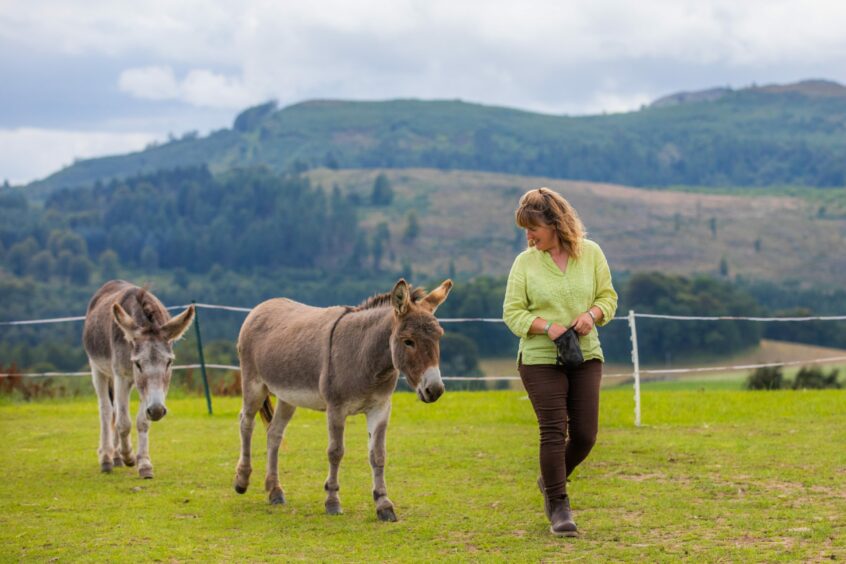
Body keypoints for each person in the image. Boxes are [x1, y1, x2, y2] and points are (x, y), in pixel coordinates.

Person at [502, 187, 618, 537]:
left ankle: (549, 479)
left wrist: (592, 314)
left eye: (533, 227)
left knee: (584, 434)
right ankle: (559, 505)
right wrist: (546, 327)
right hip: (539, 358)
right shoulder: (525, 263)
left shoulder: (592, 254)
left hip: (584, 353)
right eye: (525, 229)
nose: (528, 236)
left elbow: (608, 297)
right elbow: (512, 313)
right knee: (553, 431)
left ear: (555, 223)